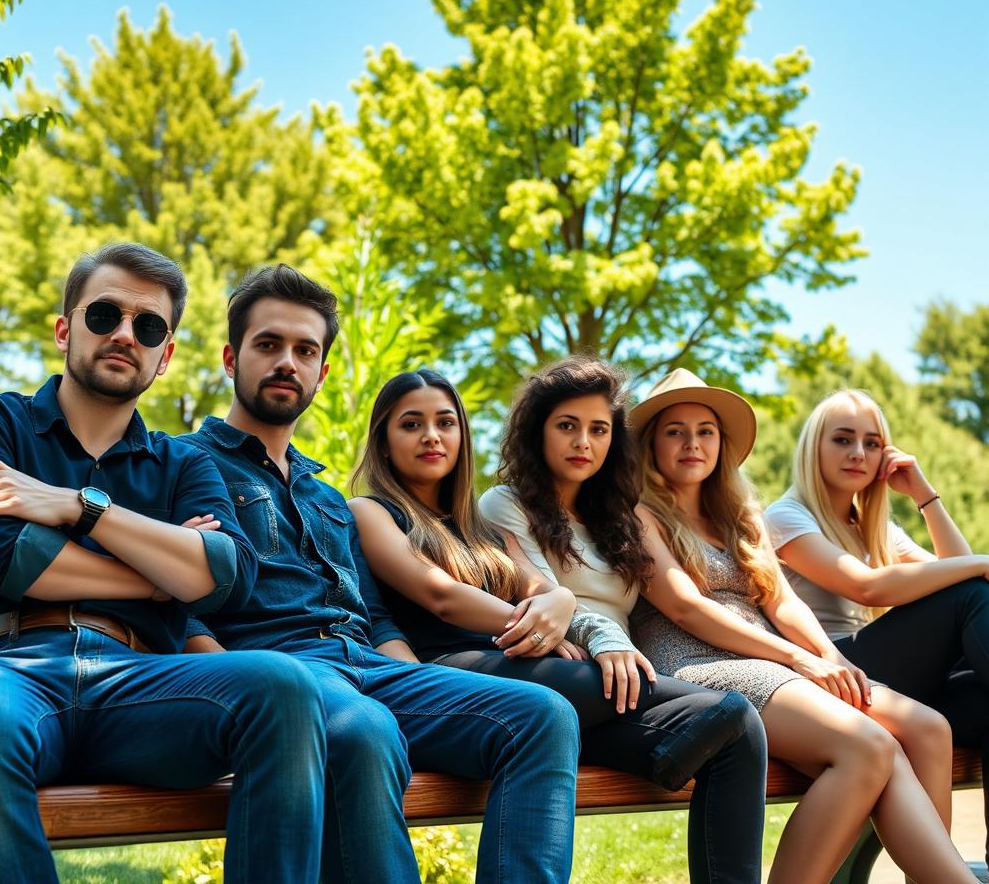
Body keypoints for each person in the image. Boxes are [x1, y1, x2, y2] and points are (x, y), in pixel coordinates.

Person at [180, 264, 581, 884]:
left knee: (542, 716)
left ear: (322, 372)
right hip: (279, 675)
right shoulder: (184, 463)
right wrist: (231, 679)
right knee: (365, 733)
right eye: (269, 345)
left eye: (305, 350)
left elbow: (376, 615)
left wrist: (422, 690)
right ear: (231, 359)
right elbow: (181, 606)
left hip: (371, 669)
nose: (287, 362)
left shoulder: (326, 497)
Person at [0, 243, 326, 884]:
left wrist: (75, 506)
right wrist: (161, 579)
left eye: (149, 326)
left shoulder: (186, 464)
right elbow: (8, 558)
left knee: (284, 686)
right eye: (105, 315)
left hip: (142, 684)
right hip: (4, 670)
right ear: (63, 328)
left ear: (166, 356)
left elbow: (225, 575)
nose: (125, 335)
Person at [400, 354, 770, 884]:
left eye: (598, 429)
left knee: (739, 727)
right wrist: (599, 639)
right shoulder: (504, 505)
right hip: (553, 670)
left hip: (612, 686)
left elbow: (674, 597)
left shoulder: (617, 518)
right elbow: (536, 593)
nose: (583, 443)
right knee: (731, 715)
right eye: (567, 426)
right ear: (538, 432)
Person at [631, 367, 975, 884]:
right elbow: (684, 606)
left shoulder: (739, 516)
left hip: (775, 662)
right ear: (651, 445)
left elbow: (783, 600)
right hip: (698, 667)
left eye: (705, 431)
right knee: (871, 748)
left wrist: (833, 660)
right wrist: (796, 658)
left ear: (721, 444)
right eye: (674, 431)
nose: (692, 443)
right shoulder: (639, 515)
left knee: (927, 728)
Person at [765, 387, 989, 870]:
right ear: (814, 448)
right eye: (843, 440)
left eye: (871, 443)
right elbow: (866, 587)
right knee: (971, 595)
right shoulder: (786, 516)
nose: (858, 454)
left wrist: (924, 495)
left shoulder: (872, 524)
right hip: (828, 673)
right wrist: (983, 564)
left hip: (878, 678)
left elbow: (959, 567)